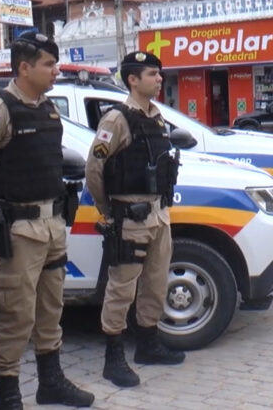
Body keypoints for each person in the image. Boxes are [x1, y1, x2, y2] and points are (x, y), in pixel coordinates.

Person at [0, 31, 94, 409]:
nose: (56, 71)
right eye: (48, 64)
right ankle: (9, 395)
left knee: (50, 309)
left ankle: (51, 382)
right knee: (14, 314)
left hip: (52, 225)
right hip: (19, 230)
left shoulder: (47, 107)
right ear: (24, 67)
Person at [85, 51, 184, 388]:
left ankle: (148, 344)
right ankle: (114, 357)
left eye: (159, 74)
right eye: (152, 74)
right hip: (130, 217)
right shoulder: (117, 120)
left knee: (155, 284)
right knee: (122, 288)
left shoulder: (156, 117)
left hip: (159, 214)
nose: (159, 79)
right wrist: (108, 211)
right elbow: (94, 170)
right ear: (133, 79)